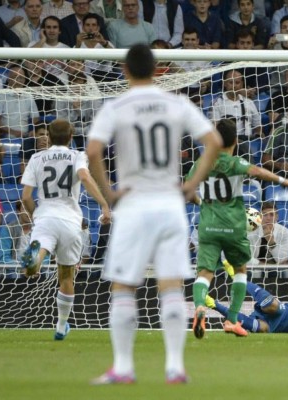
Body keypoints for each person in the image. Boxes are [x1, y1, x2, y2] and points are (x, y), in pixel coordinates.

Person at [86, 44, 222, 384]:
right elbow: (215, 142)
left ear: (126, 70)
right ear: (157, 69)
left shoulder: (116, 106)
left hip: (134, 203)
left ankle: (123, 367)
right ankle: (175, 367)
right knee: (171, 285)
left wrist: (109, 193)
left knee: (123, 286)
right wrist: (191, 184)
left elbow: (92, 150)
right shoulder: (176, 103)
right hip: (169, 203)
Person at [188, 118, 288, 340]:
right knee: (240, 271)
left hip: (208, 226)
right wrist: (281, 179)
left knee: (205, 273)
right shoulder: (235, 162)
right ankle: (233, 320)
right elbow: (256, 171)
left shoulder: (202, 163)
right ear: (236, 140)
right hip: (233, 227)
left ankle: (199, 306)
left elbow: (186, 191)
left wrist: (202, 203)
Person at [20, 119, 110, 342]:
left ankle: (37, 254)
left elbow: (25, 197)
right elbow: (85, 177)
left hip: (45, 217)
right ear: (71, 137)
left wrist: (36, 217)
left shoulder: (36, 158)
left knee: (31, 270)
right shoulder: (77, 155)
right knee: (67, 276)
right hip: (70, 220)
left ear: (48, 137)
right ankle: (61, 327)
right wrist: (104, 204)